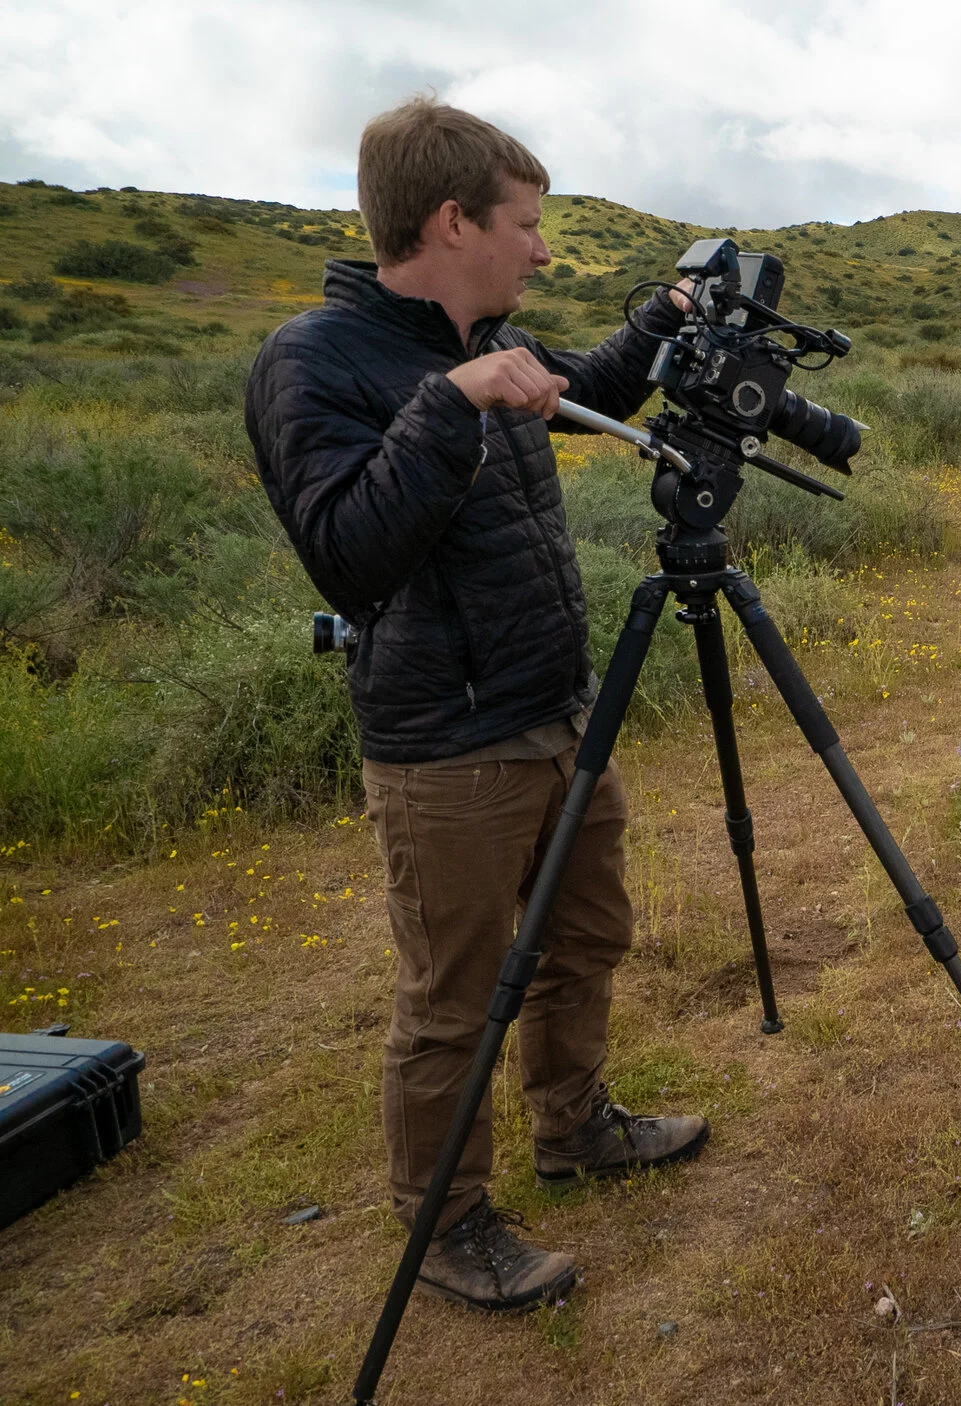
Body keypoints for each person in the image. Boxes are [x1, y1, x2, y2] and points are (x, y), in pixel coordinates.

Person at [244, 97, 708, 1313]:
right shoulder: (315, 360)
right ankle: (445, 1226)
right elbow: (348, 554)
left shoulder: (494, 333)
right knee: (453, 1000)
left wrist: (657, 326)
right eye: (527, 224)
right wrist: (451, 404)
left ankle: (575, 1127)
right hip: (446, 750)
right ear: (453, 220)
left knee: (585, 938)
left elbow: (576, 394)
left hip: (556, 713)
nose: (542, 248)